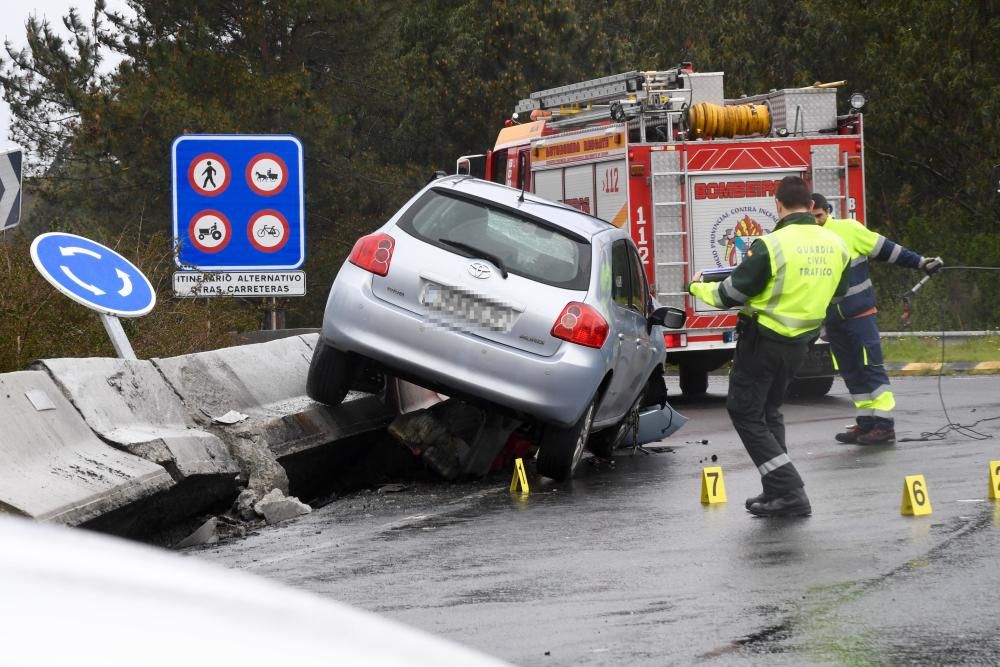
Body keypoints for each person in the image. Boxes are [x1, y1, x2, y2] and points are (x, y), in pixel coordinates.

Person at [688, 176, 850, 517]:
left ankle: (790, 490)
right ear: (810, 205)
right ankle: (775, 489)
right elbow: (838, 292)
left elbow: (728, 295)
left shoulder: (771, 245)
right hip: (799, 345)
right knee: (769, 411)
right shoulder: (837, 245)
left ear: (778, 204)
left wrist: (697, 287)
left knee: (745, 411)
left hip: (763, 342)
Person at [810, 193, 942, 445]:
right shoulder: (808, 241)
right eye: (812, 217)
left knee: (871, 368)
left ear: (829, 211)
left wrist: (921, 262)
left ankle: (884, 425)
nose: (817, 221)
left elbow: (888, 250)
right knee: (850, 372)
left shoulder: (848, 229)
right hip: (833, 322)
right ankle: (866, 422)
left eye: (820, 216)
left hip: (860, 316)